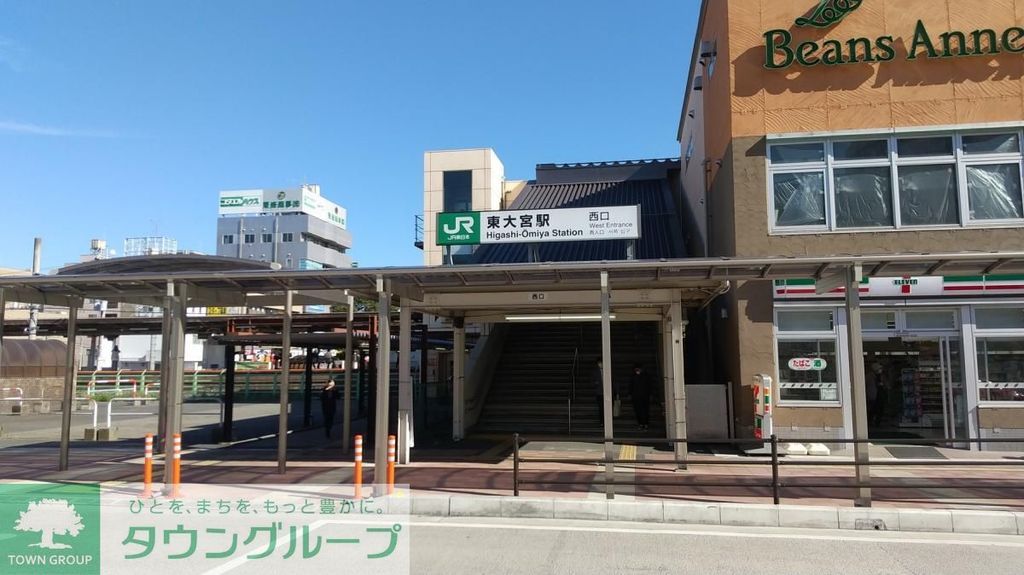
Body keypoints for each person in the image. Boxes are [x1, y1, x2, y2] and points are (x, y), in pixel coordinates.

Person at [629, 363, 654, 431]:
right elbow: (631, 386)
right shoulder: (633, 376)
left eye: (638, 369)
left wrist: (650, 394)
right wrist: (630, 394)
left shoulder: (646, 376)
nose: (637, 370)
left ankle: (645, 424)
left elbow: (650, 386)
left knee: (645, 411)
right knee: (638, 411)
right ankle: (641, 424)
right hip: (637, 397)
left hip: (644, 396)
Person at [868, 362, 888, 427]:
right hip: (873, 395)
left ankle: (877, 422)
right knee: (873, 409)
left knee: (880, 409)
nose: (880, 370)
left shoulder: (882, 376)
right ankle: (871, 422)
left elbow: (886, 384)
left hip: (880, 395)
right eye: (879, 368)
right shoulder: (870, 376)